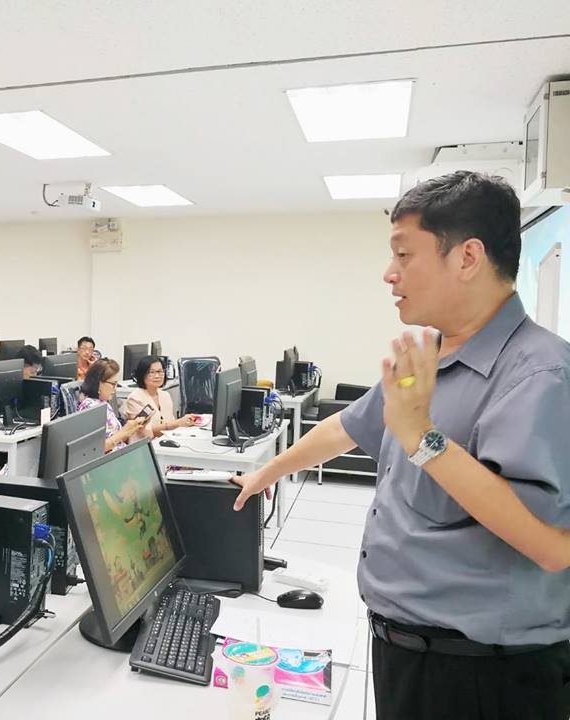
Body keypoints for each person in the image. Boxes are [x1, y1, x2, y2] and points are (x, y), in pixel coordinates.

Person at [231, 172, 570, 720]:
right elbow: (348, 427)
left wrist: (423, 438)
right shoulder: (432, 352)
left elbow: (552, 545)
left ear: (468, 257)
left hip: (481, 676)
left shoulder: (540, 373)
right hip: (407, 652)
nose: (389, 273)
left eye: (404, 254)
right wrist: (265, 473)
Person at [77, 359, 147, 453]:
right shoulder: (89, 407)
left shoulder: (103, 403)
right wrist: (124, 431)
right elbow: (93, 450)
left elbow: (116, 439)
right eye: (113, 384)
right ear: (98, 383)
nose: (115, 388)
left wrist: (132, 429)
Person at [123, 355, 199, 441]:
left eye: (160, 371)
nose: (157, 376)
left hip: (164, 441)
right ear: (142, 374)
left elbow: (171, 423)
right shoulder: (135, 398)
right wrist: (178, 423)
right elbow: (145, 432)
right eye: (152, 372)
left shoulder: (165, 395)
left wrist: (185, 422)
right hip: (144, 444)